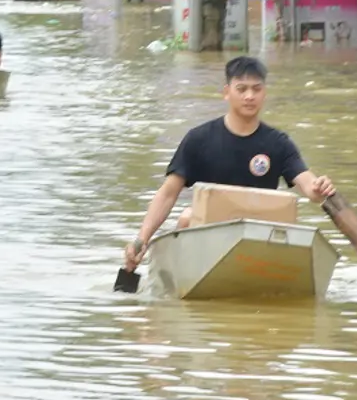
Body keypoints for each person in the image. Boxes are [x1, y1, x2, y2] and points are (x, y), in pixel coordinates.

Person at [121, 55, 336, 273]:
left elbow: (308, 185)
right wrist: (142, 240)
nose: (249, 96)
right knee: (186, 217)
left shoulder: (278, 143)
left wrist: (320, 188)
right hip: (209, 236)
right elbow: (168, 193)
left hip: (258, 235)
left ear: (265, 93)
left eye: (256, 89)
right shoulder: (199, 139)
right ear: (227, 92)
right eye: (241, 89)